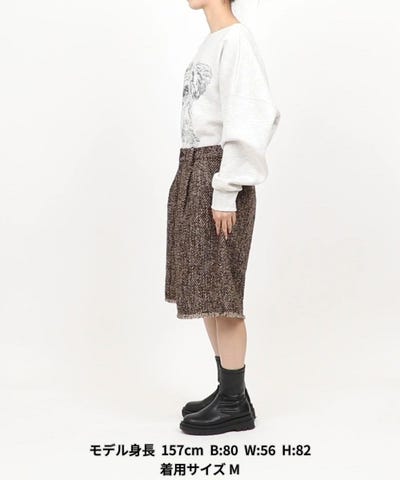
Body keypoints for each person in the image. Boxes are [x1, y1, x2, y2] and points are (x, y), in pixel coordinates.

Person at [165, 0, 280, 435]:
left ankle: (234, 406)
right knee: (205, 290)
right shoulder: (212, 42)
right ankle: (229, 390)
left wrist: (226, 189)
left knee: (222, 292)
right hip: (195, 167)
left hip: (217, 175)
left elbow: (254, 117)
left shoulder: (236, 41)